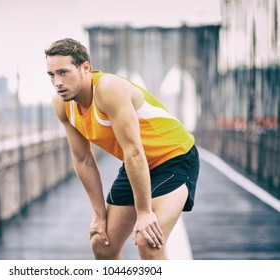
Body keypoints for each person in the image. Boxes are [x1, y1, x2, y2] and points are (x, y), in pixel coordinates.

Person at [45, 38, 200, 260]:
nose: (57, 82)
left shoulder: (108, 89)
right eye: (51, 75)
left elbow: (134, 150)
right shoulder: (62, 105)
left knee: (149, 241)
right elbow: (83, 160)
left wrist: (144, 213)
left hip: (174, 157)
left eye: (63, 72)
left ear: (85, 67)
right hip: (136, 164)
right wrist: (99, 215)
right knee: (102, 244)